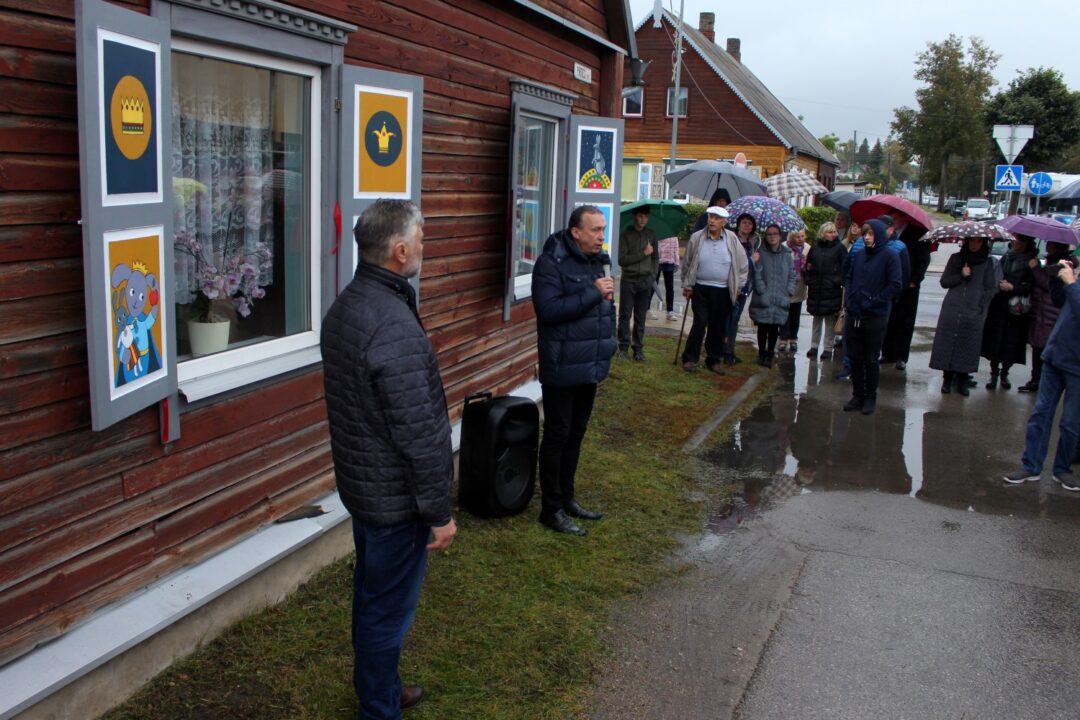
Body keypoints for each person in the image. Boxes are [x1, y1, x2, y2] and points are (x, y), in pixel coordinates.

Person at [321, 199, 457, 718]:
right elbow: (419, 435)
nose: (424, 248)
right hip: (394, 502)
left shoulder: (348, 305)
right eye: (420, 240)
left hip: (366, 490)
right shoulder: (391, 325)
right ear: (400, 251)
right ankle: (379, 709)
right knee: (386, 611)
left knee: (372, 593)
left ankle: (381, 687)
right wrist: (439, 513)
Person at [532, 205, 616, 536]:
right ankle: (550, 509)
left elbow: (604, 310)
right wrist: (593, 292)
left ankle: (567, 498)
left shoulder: (598, 260)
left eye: (603, 229)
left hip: (589, 364)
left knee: (576, 435)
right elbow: (549, 310)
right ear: (575, 232)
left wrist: (608, 343)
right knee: (558, 435)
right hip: (561, 366)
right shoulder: (550, 263)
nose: (601, 236)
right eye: (595, 230)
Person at [1003, 260, 1080, 491]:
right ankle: (1031, 465)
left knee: (1070, 423)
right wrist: (1057, 279)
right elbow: (1060, 301)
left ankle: (1062, 469)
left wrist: (1071, 284)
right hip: (1055, 356)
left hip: (1077, 367)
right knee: (1040, 414)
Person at [842, 220, 902, 415]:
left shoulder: (890, 256)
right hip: (855, 313)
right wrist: (850, 299)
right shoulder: (860, 255)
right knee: (855, 357)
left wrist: (874, 300)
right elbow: (849, 277)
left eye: (871, 234)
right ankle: (857, 395)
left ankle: (870, 397)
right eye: (865, 234)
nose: (867, 238)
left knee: (870, 358)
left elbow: (895, 285)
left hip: (875, 316)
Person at [681, 206, 748, 373]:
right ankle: (690, 358)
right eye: (711, 217)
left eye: (717, 218)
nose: (712, 221)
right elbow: (687, 263)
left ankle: (714, 359)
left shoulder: (732, 238)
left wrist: (738, 286)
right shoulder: (697, 237)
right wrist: (687, 285)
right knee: (699, 323)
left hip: (723, 290)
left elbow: (743, 265)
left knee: (717, 326)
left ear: (724, 222)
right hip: (700, 288)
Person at [928, 236, 998, 396]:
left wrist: (980, 305)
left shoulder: (987, 263)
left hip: (973, 310)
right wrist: (961, 275)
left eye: (978, 241)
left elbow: (991, 288)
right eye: (972, 241)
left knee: (968, 344)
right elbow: (945, 281)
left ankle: (963, 380)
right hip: (952, 308)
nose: (974, 244)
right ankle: (947, 379)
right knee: (948, 343)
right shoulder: (956, 258)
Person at [981, 234, 1038, 389]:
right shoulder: (1006, 257)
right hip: (999, 305)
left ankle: (1005, 373)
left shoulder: (1031, 261)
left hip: (1016, 309)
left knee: (1011, 343)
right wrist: (999, 283)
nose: (1013, 241)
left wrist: (1014, 287)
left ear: (1024, 243)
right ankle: (994, 373)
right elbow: (996, 274)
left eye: (1017, 239)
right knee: (995, 340)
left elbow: (1032, 285)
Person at [1019, 241, 1074, 393]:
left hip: (1049, 313)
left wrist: (1035, 268)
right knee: (1038, 348)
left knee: (1043, 350)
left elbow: (1047, 284)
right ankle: (1036, 379)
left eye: (1050, 242)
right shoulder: (1051, 260)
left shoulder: (1061, 264)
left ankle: (1040, 381)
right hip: (1041, 311)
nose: (1047, 244)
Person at [882, 210, 932, 370]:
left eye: (895, 218)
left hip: (908, 285)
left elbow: (924, 259)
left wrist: (914, 281)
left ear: (903, 218)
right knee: (889, 319)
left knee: (905, 321)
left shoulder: (917, 234)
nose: (892, 222)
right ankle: (887, 353)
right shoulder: (888, 233)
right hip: (891, 284)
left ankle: (901, 356)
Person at [749, 224, 795, 367]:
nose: (772, 236)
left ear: (780, 236)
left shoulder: (787, 254)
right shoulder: (760, 252)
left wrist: (789, 291)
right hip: (764, 296)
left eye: (775, 233)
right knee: (763, 326)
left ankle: (770, 354)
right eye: (769, 234)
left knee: (774, 327)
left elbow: (792, 274)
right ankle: (761, 353)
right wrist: (761, 290)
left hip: (780, 296)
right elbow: (756, 273)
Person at [617, 205, 658, 361]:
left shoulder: (651, 235)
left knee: (640, 317)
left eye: (646, 216)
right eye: (640, 216)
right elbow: (622, 260)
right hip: (628, 280)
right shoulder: (625, 235)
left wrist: (652, 276)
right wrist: (643, 253)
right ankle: (623, 347)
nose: (643, 219)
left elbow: (655, 258)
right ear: (634, 216)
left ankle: (638, 349)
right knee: (625, 315)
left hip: (645, 281)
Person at [804, 221, 847, 360]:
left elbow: (845, 267)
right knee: (816, 319)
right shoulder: (815, 247)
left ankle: (828, 347)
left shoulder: (840, 248)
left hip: (831, 289)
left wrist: (837, 281)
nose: (833, 234)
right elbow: (808, 265)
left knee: (830, 320)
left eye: (834, 231)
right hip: (816, 288)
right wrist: (808, 279)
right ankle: (814, 345)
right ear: (823, 233)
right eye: (830, 232)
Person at [723, 212, 757, 365]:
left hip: (745, 286)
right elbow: (735, 261)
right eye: (744, 222)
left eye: (750, 223)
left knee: (735, 319)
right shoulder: (732, 240)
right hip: (733, 284)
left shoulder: (752, 243)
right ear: (738, 224)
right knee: (729, 318)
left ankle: (730, 349)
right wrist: (751, 259)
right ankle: (725, 350)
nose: (746, 226)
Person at [777, 228, 808, 354]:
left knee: (795, 313)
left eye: (802, 236)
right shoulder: (783, 246)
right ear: (791, 237)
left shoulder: (807, 248)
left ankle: (793, 338)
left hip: (799, 286)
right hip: (784, 284)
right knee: (784, 313)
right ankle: (783, 338)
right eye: (797, 237)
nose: (800, 239)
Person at [656, 235, 681, 321]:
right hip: (657, 262)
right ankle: (647, 309)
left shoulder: (673, 235)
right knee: (653, 286)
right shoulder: (658, 233)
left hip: (669, 262)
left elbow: (676, 248)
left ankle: (670, 311)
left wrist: (677, 262)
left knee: (670, 287)